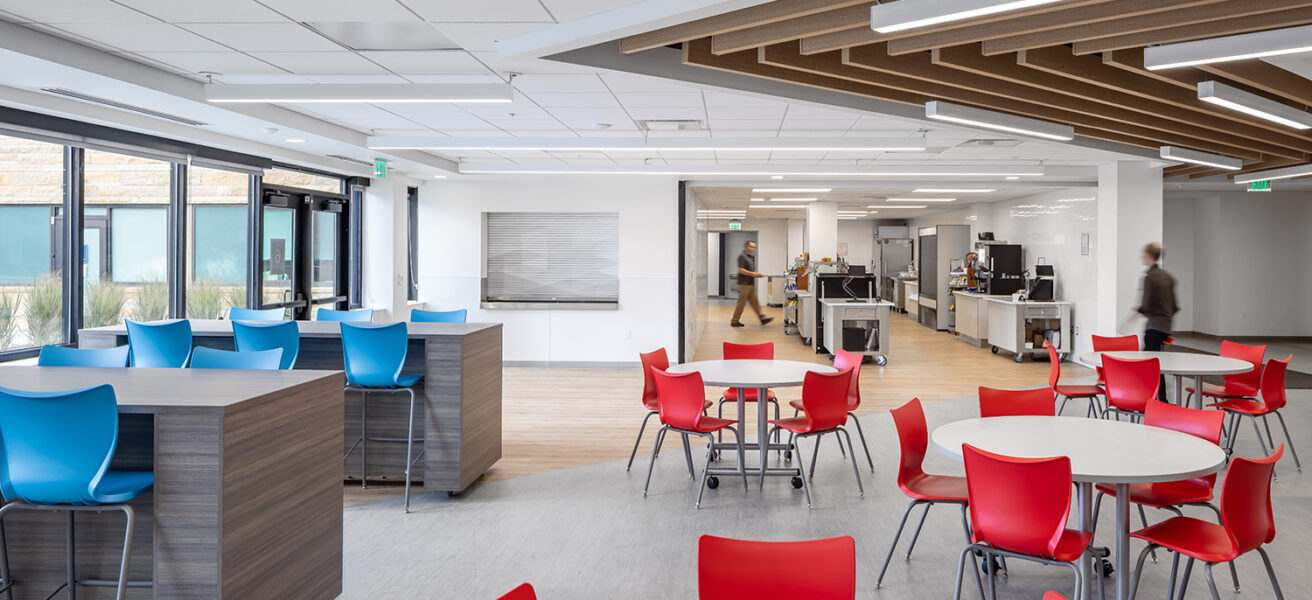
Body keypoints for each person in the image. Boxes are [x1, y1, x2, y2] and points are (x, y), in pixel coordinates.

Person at [1137, 242, 1178, 401]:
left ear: (1148, 256)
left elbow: (1146, 305)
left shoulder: (1149, 277)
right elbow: (1174, 306)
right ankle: (1161, 397)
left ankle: (1154, 398)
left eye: (1143, 254)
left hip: (1153, 327)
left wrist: (1139, 311)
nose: (1141, 257)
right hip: (1165, 327)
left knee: (1150, 365)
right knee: (1158, 363)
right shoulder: (1168, 278)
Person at [731, 241, 773, 328]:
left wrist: (756, 275)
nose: (753, 249)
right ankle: (734, 321)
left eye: (754, 247)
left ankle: (762, 319)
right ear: (747, 247)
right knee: (741, 303)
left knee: (755, 303)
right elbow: (741, 270)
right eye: (752, 247)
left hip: (750, 284)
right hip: (744, 285)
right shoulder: (742, 257)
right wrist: (753, 274)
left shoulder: (750, 257)